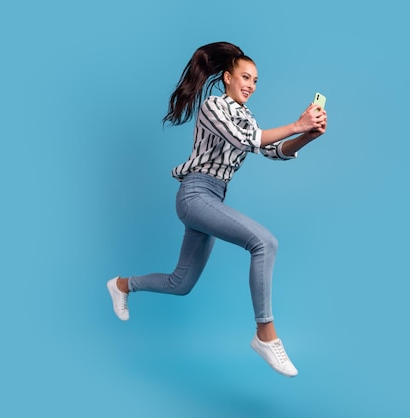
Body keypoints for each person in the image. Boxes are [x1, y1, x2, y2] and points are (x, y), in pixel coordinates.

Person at [107, 41, 327, 377]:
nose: (251, 85)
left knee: (180, 283)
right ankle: (265, 334)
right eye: (245, 77)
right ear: (226, 77)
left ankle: (122, 285)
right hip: (195, 194)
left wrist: (308, 135)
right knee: (264, 242)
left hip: (213, 199)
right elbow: (246, 141)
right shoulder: (213, 106)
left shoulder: (246, 116)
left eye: (255, 80)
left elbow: (273, 150)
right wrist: (295, 124)